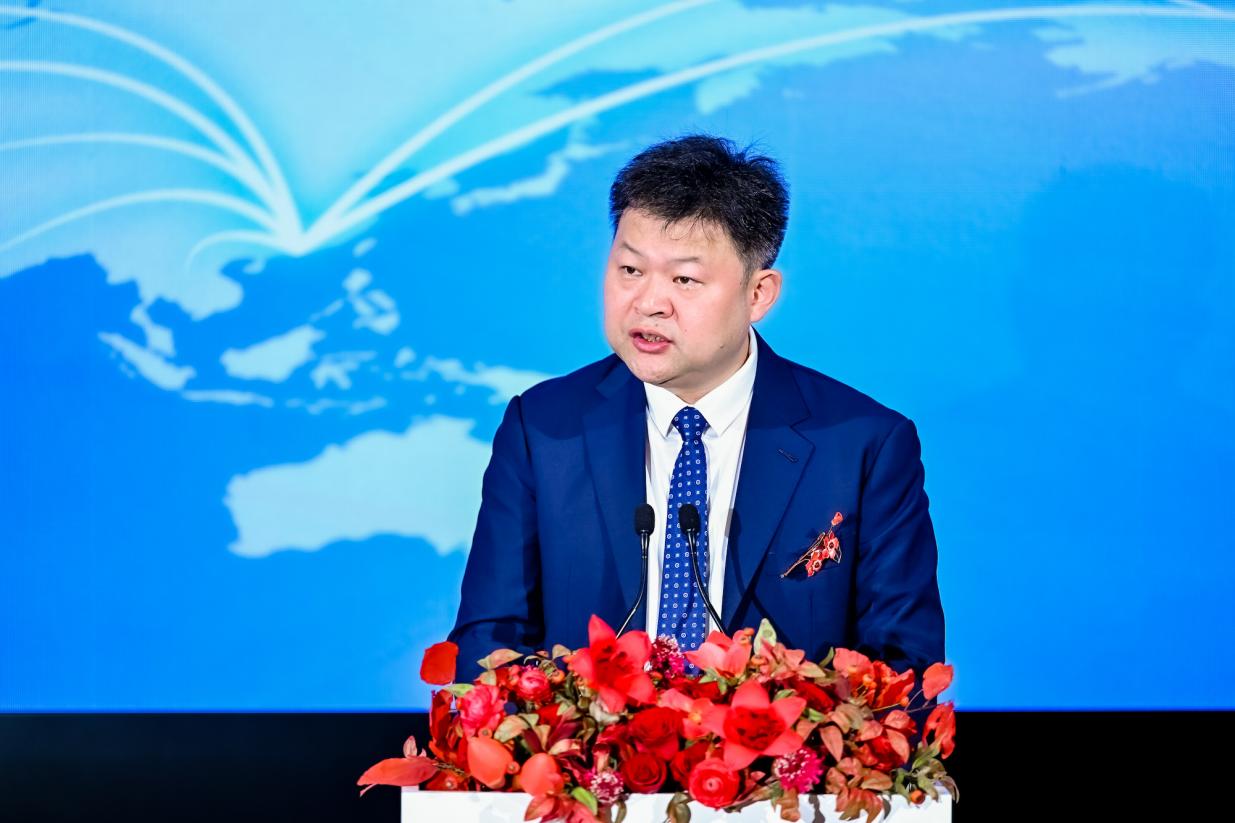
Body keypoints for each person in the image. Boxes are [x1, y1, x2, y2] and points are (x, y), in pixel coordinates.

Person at [449, 134, 943, 681]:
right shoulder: (543, 428)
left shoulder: (862, 445)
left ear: (758, 294)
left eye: (684, 279)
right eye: (630, 270)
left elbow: (903, 671)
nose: (648, 303)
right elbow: (487, 645)